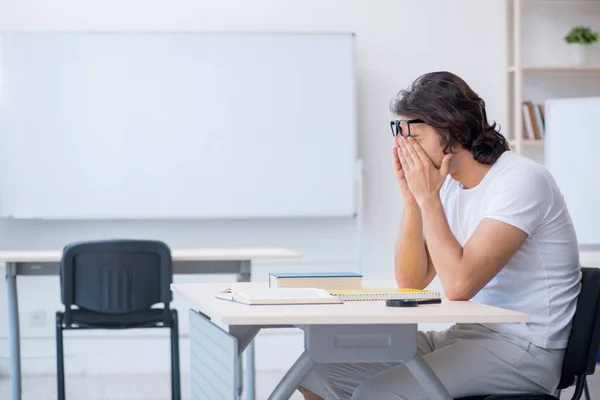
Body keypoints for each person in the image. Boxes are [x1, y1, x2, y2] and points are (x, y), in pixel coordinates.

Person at [298, 71, 581, 400]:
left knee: (376, 393)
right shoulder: (448, 187)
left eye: (414, 137)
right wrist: (413, 199)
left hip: (524, 349)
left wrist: (429, 199)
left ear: (453, 130)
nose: (405, 148)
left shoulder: (521, 180)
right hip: (466, 336)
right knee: (321, 371)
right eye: (401, 136)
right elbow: (411, 281)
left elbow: (459, 286)